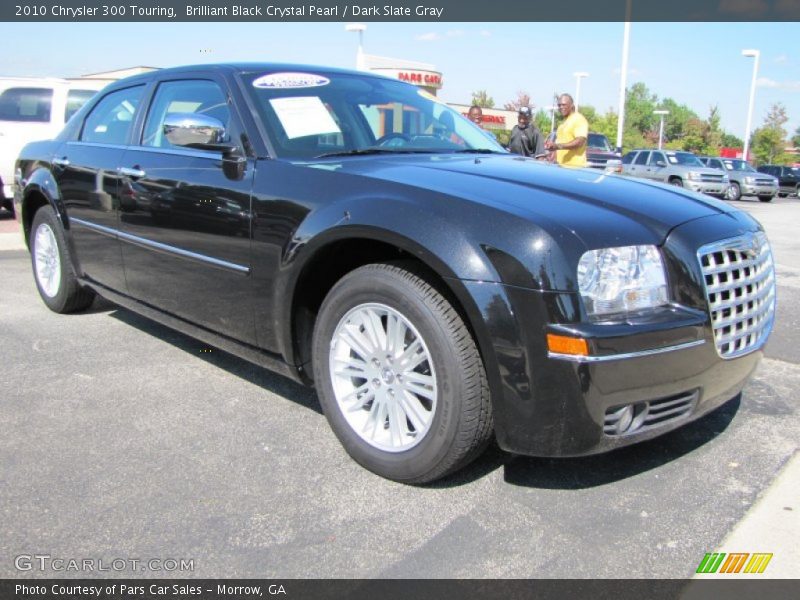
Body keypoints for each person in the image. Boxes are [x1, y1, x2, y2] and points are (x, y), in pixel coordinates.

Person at [545, 94, 588, 168]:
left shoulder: (578, 119)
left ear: (571, 105)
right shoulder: (562, 125)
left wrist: (558, 146)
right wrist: (553, 153)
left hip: (575, 168)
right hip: (561, 167)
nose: (561, 107)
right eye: (559, 105)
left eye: (564, 105)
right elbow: (559, 146)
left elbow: (580, 142)